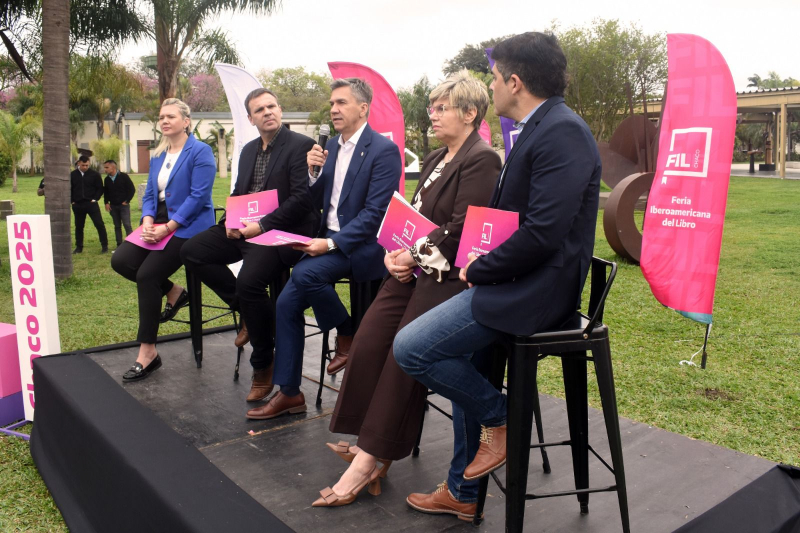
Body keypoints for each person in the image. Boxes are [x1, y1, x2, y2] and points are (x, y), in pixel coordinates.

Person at [393, 32, 602, 520]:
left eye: (493, 77)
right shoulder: (538, 127)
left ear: (515, 80)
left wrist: (479, 268)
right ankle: (463, 493)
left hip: (535, 292)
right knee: (462, 358)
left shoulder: (562, 131)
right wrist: (479, 258)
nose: (491, 88)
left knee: (412, 347)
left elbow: (543, 233)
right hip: (513, 281)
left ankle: (501, 417)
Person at [312, 72, 501, 509]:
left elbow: (459, 230)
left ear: (470, 113)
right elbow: (413, 216)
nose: (432, 114)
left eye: (441, 108)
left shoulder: (482, 159)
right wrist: (394, 253)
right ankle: (366, 439)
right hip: (413, 269)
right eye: (431, 107)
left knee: (403, 349)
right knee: (371, 335)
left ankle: (372, 459)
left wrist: (412, 255)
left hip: (449, 278)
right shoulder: (436, 157)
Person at [245, 77, 401, 420]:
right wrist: (314, 173)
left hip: (359, 246)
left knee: (304, 275)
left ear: (363, 108)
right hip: (325, 238)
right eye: (332, 103)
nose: (333, 109)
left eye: (341, 103)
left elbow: (375, 214)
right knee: (286, 302)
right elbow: (313, 200)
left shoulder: (383, 150)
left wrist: (330, 243)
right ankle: (289, 392)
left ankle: (347, 335)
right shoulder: (329, 149)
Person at [180, 88, 317, 402]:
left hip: (280, 232)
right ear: (250, 118)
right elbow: (241, 193)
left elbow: (302, 200)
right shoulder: (248, 150)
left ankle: (263, 363)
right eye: (260, 109)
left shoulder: (301, 146)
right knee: (191, 251)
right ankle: (243, 308)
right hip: (246, 229)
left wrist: (263, 225)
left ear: (280, 110)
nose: (267, 112)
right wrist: (231, 222)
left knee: (249, 281)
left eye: (272, 106)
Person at [111, 98, 216, 382]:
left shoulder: (201, 152)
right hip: (156, 221)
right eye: (161, 117)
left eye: (171, 116)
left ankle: (148, 353)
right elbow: (148, 195)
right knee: (120, 261)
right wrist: (147, 220)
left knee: (147, 275)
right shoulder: (158, 155)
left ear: (186, 121)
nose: (165, 121)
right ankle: (174, 291)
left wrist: (168, 227)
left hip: (188, 227)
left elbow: (199, 197)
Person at [70, 155, 109, 254]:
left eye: (87, 165)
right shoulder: (72, 175)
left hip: (91, 204)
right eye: (83, 165)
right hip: (77, 204)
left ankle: (104, 246)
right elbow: (69, 188)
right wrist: (72, 200)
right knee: (79, 226)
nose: (85, 167)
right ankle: (79, 247)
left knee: (99, 224)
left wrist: (95, 199)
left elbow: (100, 188)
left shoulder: (95, 174)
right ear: (78, 163)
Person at [103, 159, 136, 250]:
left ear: (113, 167)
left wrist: (127, 201)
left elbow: (132, 189)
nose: (105, 169)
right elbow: (106, 192)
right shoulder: (107, 179)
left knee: (127, 225)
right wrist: (106, 202)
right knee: (117, 226)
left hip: (123, 206)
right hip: (113, 206)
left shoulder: (124, 176)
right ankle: (119, 245)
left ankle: (132, 244)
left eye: (107, 167)